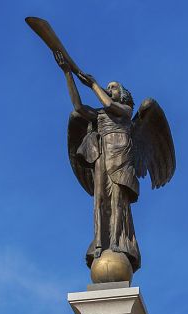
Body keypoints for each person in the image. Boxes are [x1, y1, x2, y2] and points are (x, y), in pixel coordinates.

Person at [54, 51, 141, 270]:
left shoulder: (125, 110)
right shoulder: (101, 114)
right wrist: (67, 74)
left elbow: (111, 106)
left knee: (118, 200)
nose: (108, 88)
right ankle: (101, 242)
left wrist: (94, 85)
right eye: (108, 86)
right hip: (103, 154)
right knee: (100, 199)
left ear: (122, 95)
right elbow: (78, 108)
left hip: (120, 155)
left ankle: (118, 242)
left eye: (113, 87)